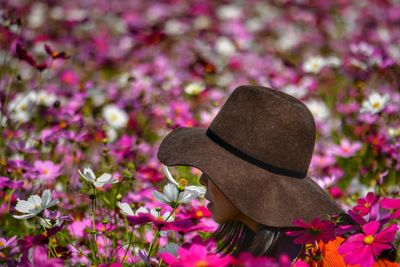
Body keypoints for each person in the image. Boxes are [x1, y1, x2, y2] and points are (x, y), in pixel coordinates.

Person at [157, 85, 399, 265]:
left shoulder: (332, 255)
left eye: (214, 169)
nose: (202, 180)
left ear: (246, 182)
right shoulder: (263, 246)